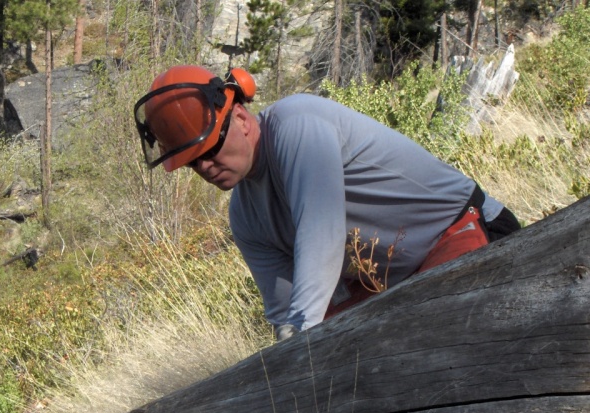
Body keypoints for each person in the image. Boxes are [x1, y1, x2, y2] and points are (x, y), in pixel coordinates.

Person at [134, 65, 521, 341]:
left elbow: (322, 237)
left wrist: (301, 337)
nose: (205, 166)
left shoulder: (296, 123)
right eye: (192, 161)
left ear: (240, 117)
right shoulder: (245, 217)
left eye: (211, 148)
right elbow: (287, 313)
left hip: (465, 229)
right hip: (398, 284)